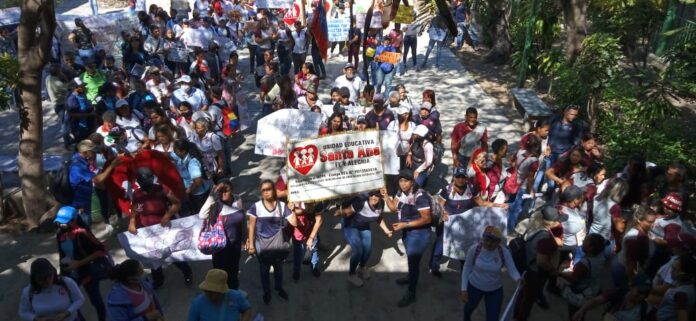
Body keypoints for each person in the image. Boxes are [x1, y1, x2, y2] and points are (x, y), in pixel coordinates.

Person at [128, 167, 193, 288]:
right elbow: (136, 209)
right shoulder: (137, 194)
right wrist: (132, 221)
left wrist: (168, 215)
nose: (146, 186)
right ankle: (158, 280)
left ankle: (187, 271)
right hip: (147, 230)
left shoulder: (162, 189)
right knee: (153, 256)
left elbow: (177, 203)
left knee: (171, 253)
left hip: (164, 228)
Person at [381, 170, 432, 307]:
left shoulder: (420, 196)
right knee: (411, 261)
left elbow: (427, 219)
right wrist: (386, 196)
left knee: (413, 263)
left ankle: (411, 293)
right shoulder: (400, 192)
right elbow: (392, 208)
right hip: (407, 232)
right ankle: (410, 278)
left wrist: (405, 224)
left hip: (419, 235)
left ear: (412, 181)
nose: (403, 184)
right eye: (401, 181)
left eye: (406, 181)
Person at [54, 206, 111, 321]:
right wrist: (62, 272)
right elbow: (61, 254)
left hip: (88, 273)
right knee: (72, 303)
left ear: (74, 221)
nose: (61, 226)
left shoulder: (83, 233)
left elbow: (100, 251)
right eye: (59, 223)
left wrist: (79, 263)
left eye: (64, 223)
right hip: (71, 274)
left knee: (96, 301)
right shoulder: (60, 234)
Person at [246, 180, 298, 304]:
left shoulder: (282, 206)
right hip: (261, 246)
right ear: (261, 192)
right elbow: (251, 227)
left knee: (279, 269)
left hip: (278, 245)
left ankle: (279, 288)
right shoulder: (256, 207)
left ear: (274, 190)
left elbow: (294, 223)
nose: (266, 192)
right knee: (264, 270)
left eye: (269, 189)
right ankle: (267, 293)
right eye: (263, 190)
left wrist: (292, 210)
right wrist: (251, 245)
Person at [514, 206, 565, 321]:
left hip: (526, 264)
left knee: (523, 292)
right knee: (528, 299)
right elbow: (541, 261)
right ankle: (521, 317)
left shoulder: (534, 225)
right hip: (535, 272)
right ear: (551, 223)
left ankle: (516, 313)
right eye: (557, 220)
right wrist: (552, 269)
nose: (559, 222)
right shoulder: (545, 238)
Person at [461, 226, 521, 321]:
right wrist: (464, 289)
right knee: (469, 308)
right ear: (483, 238)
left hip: (495, 290)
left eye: (493, 241)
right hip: (474, 287)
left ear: (498, 242)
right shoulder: (474, 249)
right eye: (486, 240)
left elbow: (512, 269)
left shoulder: (504, 252)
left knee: (493, 318)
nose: (489, 243)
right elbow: (467, 267)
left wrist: (519, 279)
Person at [338, 191, 393, 287]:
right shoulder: (361, 202)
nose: (374, 197)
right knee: (358, 251)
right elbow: (346, 212)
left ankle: (361, 268)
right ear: (369, 195)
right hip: (350, 226)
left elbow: (379, 217)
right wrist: (339, 211)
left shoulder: (381, 204)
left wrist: (386, 230)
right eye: (372, 194)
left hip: (364, 226)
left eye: (377, 195)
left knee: (367, 249)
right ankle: (351, 275)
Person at [553, 233, 606, 318]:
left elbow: (573, 278)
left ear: (591, 247)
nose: (583, 241)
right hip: (592, 288)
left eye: (585, 240)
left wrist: (560, 273)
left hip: (581, 291)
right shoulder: (601, 257)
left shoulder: (583, 265)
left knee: (575, 312)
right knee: (583, 311)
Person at [69, 139, 120, 226]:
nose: (95, 153)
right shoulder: (78, 166)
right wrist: (112, 165)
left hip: (84, 199)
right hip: (80, 204)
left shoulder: (79, 158)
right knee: (84, 225)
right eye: (93, 151)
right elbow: (98, 179)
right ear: (86, 152)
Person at [19, 258, 85, 321]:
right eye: (42, 279)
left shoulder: (66, 282)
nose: (47, 281)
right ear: (34, 279)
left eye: (50, 276)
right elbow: (23, 312)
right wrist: (36, 319)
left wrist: (66, 313)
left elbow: (79, 299)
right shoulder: (28, 292)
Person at [611, 205, 656, 289]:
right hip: (624, 272)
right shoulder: (635, 240)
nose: (653, 225)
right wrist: (632, 282)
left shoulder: (643, 230)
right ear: (639, 220)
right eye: (649, 222)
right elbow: (630, 264)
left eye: (654, 221)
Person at [506, 135, 541, 234]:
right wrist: (531, 191)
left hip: (512, 182)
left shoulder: (519, 152)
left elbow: (511, 160)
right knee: (517, 208)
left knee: (510, 204)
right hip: (522, 186)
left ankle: (504, 222)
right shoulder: (534, 161)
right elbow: (530, 178)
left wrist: (515, 168)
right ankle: (510, 228)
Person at [187, 269, 253, 321]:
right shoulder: (197, 303)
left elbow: (247, 309)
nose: (209, 294)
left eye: (213, 291)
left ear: (222, 291)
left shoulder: (235, 296)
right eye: (207, 290)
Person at [173, 139, 212, 215]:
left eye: (175, 151)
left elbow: (198, 181)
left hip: (200, 196)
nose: (174, 153)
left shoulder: (192, 163)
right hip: (194, 194)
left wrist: (188, 191)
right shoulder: (181, 159)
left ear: (183, 151)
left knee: (203, 214)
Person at [591, 178, 628, 255]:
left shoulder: (596, 198)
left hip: (592, 233)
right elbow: (619, 229)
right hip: (605, 239)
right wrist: (618, 246)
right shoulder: (614, 207)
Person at [291, 202, 323, 280]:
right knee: (298, 252)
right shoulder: (293, 200)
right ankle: (296, 270)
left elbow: (319, 220)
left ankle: (314, 267)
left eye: (312, 205)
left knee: (314, 248)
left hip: (311, 228)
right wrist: (292, 211)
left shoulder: (317, 201)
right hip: (298, 230)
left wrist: (311, 238)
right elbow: (292, 221)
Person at [67, 79, 97, 144]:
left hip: (88, 125)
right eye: (81, 86)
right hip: (80, 128)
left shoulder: (82, 95)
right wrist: (89, 114)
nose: (83, 87)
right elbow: (73, 114)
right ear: (75, 88)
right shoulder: (72, 99)